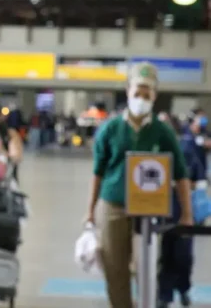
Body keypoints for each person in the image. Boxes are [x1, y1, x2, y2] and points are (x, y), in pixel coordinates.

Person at [84, 62, 193, 308]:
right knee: (114, 268)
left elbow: (181, 174)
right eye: (137, 92)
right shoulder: (110, 129)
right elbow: (97, 172)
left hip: (149, 209)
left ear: (154, 96)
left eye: (147, 93)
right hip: (113, 205)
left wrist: (187, 213)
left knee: (145, 268)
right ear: (127, 91)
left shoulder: (162, 131)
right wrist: (89, 210)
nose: (142, 98)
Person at [158, 117, 206, 307]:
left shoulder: (187, 150)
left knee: (184, 256)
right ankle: (164, 295)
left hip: (185, 210)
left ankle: (183, 288)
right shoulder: (155, 152)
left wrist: (183, 185)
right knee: (167, 254)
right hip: (163, 212)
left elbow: (200, 179)